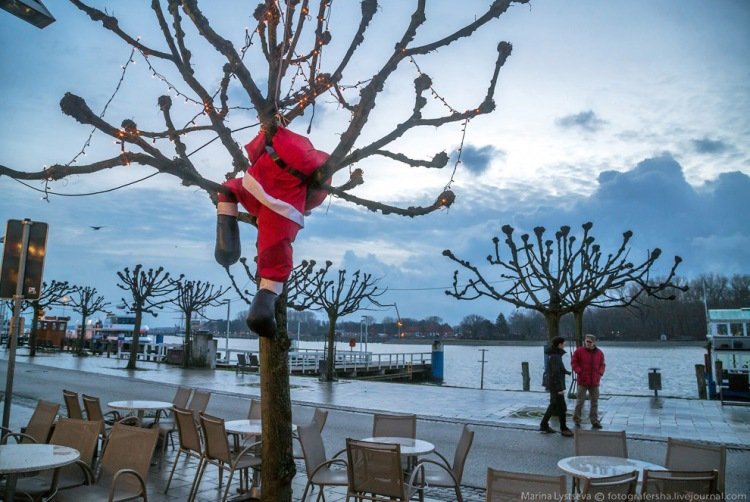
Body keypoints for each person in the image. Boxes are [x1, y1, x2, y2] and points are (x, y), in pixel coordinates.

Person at [214, 126, 329, 337]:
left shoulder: (278, 139)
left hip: (256, 186)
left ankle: (226, 237)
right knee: (274, 255)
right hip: (283, 205)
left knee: (229, 190)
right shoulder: (313, 163)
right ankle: (263, 304)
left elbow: (255, 150)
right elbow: (318, 192)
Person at [540, 336, 573, 437]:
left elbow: (558, 369)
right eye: (563, 343)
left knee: (554, 405)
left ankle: (544, 425)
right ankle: (563, 428)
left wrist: (567, 372)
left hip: (553, 385)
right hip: (556, 386)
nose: (565, 345)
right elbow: (555, 373)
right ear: (559, 344)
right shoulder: (555, 356)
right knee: (562, 407)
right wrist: (559, 389)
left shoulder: (555, 355)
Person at [572, 334, 606, 428]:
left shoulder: (599, 353)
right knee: (580, 401)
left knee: (594, 402)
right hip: (582, 381)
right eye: (586, 341)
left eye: (589, 342)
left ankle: (594, 421)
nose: (587, 343)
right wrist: (579, 371)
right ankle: (577, 419)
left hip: (594, 381)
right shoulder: (579, 351)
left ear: (594, 343)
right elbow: (574, 362)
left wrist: (599, 374)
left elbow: (602, 364)